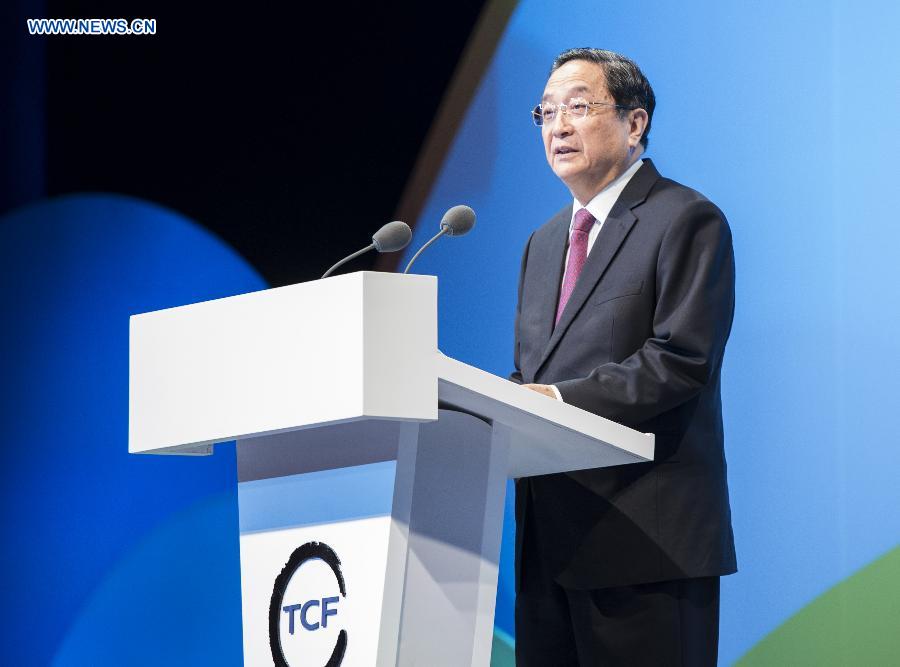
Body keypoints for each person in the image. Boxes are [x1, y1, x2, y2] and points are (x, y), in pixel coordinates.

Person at [511, 48, 736, 666]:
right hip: (547, 553)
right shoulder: (543, 242)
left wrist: (554, 402)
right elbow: (530, 374)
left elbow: (680, 359)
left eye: (578, 107)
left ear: (634, 124)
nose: (558, 126)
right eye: (547, 112)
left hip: (646, 546)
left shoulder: (686, 219)